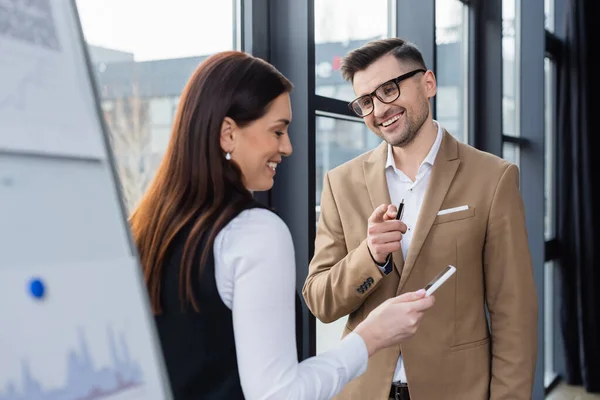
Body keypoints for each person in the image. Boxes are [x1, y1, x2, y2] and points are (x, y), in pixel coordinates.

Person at [128, 50, 435, 400]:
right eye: (277, 131)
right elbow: (279, 394)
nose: (287, 147)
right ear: (228, 133)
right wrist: (371, 336)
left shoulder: (143, 228)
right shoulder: (255, 232)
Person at [302, 38, 538, 400]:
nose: (379, 110)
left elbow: (513, 311)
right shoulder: (340, 182)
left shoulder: (493, 177)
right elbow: (320, 301)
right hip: (362, 389)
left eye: (389, 89)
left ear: (428, 83)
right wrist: (371, 256)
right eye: (366, 101)